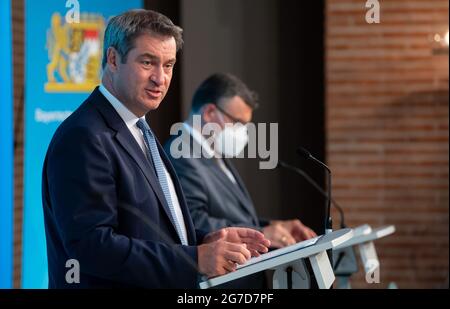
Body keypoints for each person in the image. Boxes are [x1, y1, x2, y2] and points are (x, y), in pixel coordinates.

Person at [41, 10, 270, 289]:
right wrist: (194, 258)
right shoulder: (84, 136)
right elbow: (92, 245)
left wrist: (201, 240)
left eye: (169, 65)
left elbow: (146, 227)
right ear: (113, 59)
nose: (160, 79)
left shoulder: (139, 128)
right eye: (148, 62)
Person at [164, 73, 317, 250]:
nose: (243, 133)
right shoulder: (181, 154)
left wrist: (275, 227)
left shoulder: (214, 152)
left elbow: (234, 218)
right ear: (209, 112)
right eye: (238, 123)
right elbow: (194, 222)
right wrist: (260, 232)